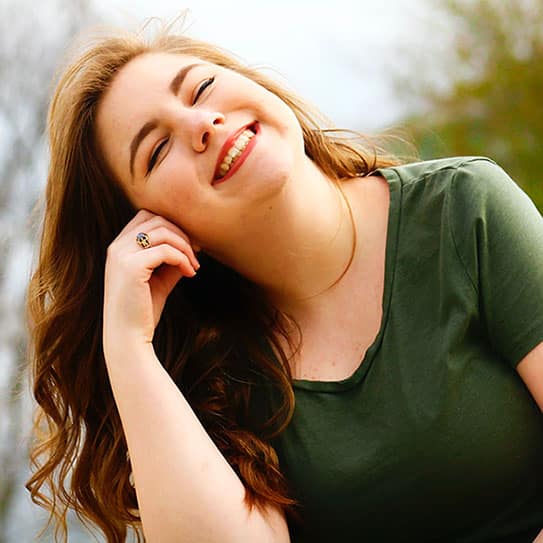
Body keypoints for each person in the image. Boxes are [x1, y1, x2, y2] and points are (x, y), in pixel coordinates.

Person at [26, 18, 543, 543]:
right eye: (157, 151)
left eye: (201, 87)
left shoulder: (463, 208)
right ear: (149, 226)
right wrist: (128, 348)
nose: (201, 124)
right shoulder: (206, 378)